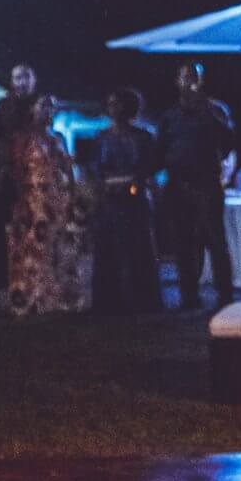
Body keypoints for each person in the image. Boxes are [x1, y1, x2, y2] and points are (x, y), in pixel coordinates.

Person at [157, 60, 234, 310]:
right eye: (185, 77)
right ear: (177, 81)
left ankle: (225, 294)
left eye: (194, 77)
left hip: (207, 184)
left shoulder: (215, 110)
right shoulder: (170, 116)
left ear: (201, 81)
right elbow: (161, 149)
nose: (189, 82)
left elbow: (229, 141)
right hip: (179, 184)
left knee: (215, 239)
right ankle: (189, 296)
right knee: (184, 242)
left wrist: (207, 110)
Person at [7, 94, 83, 317]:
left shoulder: (57, 137)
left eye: (51, 107)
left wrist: (71, 193)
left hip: (56, 198)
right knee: (30, 248)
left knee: (56, 248)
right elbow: (15, 169)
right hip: (31, 197)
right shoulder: (23, 138)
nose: (47, 111)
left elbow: (67, 167)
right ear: (33, 109)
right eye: (43, 106)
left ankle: (55, 299)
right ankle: (30, 298)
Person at [91, 87, 161, 314]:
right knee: (109, 249)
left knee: (137, 249)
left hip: (134, 200)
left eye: (118, 104)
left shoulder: (143, 137)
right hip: (110, 200)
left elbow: (150, 166)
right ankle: (111, 301)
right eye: (111, 104)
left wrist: (134, 183)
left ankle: (139, 299)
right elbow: (96, 168)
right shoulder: (102, 137)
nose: (114, 109)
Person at [0, 61, 41, 299]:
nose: (22, 82)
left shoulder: (39, 104)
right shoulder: (3, 105)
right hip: (8, 172)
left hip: (35, 172)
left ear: (34, 81)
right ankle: (2, 275)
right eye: (17, 77)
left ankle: (33, 270)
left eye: (26, 77)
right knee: (2, 224)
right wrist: (8, 161)